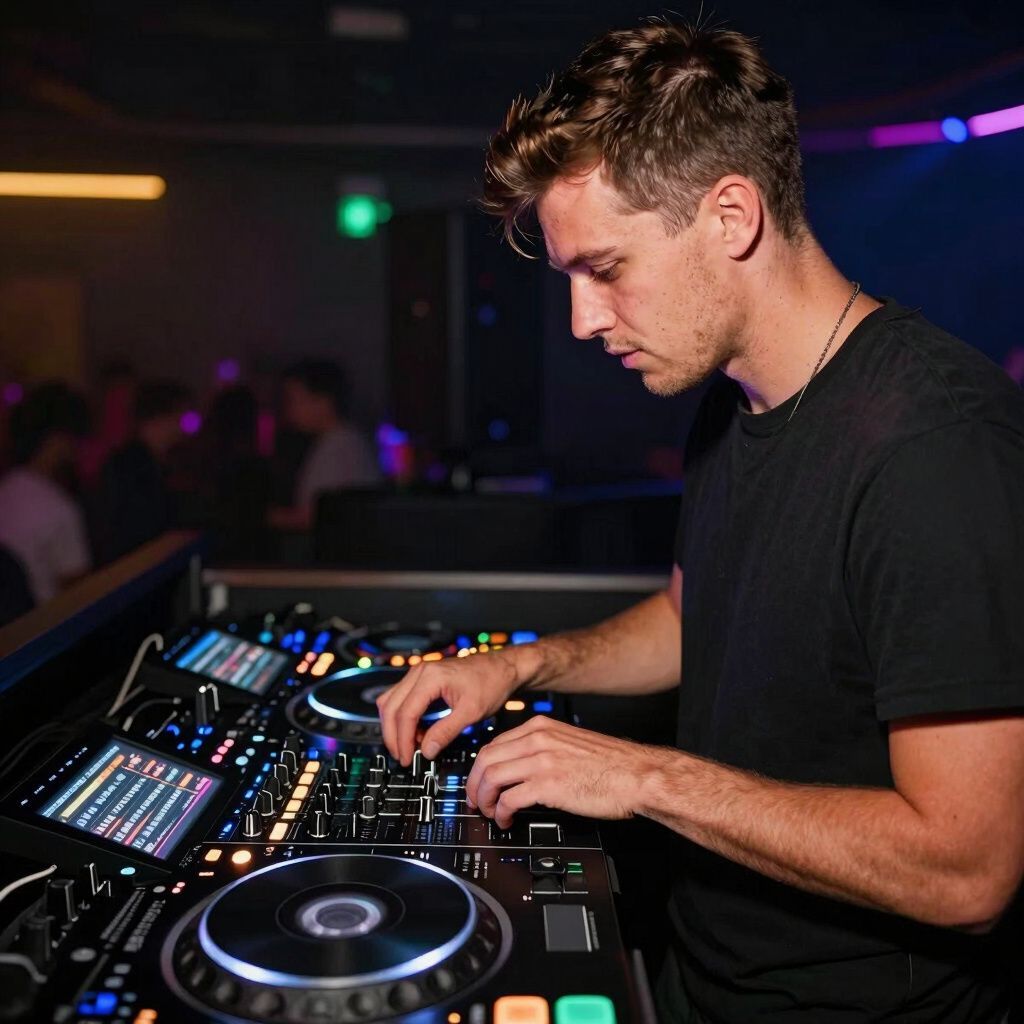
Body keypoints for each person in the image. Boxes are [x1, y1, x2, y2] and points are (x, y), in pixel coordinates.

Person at [376, 20, 1024, 1024]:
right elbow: (695, 617)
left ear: (730, 215)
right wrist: (520, 664)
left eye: (604, 269)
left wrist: (641, 776)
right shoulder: (731, 399)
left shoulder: (935, 448)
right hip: (701, 975)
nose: (583, 322)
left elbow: (968, 868)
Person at [0, 382, 91, 606]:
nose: (78, 448)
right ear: (57, 440)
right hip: (47, 629)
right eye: (74, 439)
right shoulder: (57, 507)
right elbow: (78, 597)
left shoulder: (6, 489)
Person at [269, 359, 380, 530]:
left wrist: (269, 518)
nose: (289, 410)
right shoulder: (338, 442)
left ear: (323, 402)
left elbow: (323, 517)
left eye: (294, 400)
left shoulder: (341, 447)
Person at [92, 380, 189, 562]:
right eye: (180, 417)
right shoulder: (132, 466)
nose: (182, 427)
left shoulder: (147, 462)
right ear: (161, 417)